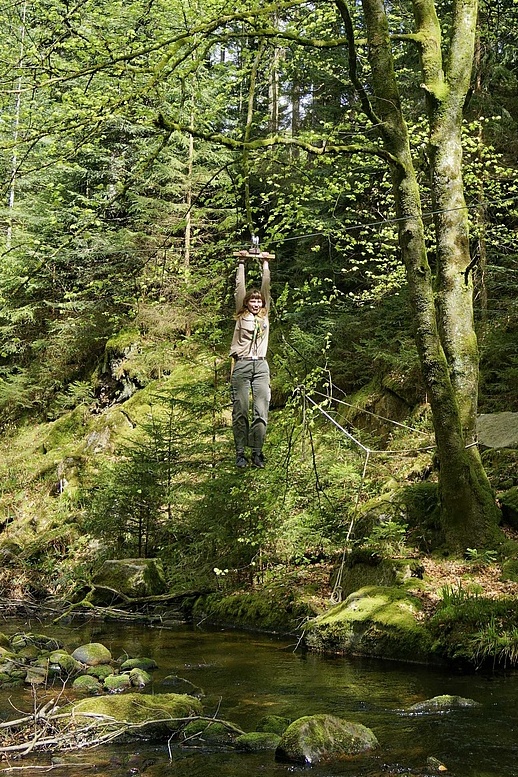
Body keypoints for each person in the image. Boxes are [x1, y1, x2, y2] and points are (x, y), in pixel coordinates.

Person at [230, 253, 271, 469]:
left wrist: (265, 265)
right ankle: (240, 453)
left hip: (261, 365)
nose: (256, 303)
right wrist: (241, 264)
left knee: (261, 409)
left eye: (258, 301)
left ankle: (257, 452)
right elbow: (240, 289)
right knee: (241, 409)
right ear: (247, 303)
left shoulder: (265, 316)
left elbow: (266, 288)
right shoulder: (241, 314)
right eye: (252, 300)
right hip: (243, 364)